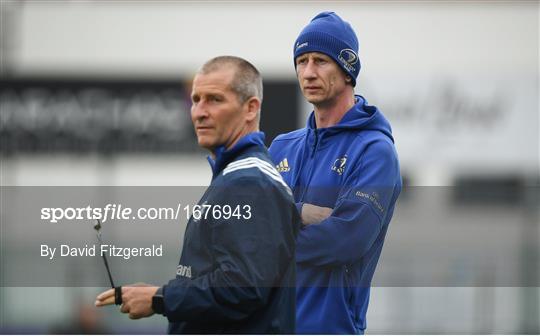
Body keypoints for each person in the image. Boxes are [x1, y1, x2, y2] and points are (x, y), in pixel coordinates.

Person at [95, 56, 300, 334]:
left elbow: (243, 288)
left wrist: (160, 299)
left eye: (214, 99)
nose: (199, 112)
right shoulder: (235, 178)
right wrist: (164, 292)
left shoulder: (249, 183)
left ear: (251, 108)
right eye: (196, 99)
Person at [269, 11, 402, 334]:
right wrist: (299, 213)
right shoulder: (280, 148)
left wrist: (269, 238)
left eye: (321, 61)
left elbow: (344, 241)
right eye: (302, 61)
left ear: (348, 70)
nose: (308, 72)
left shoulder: (374, 151)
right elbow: (245, 228)